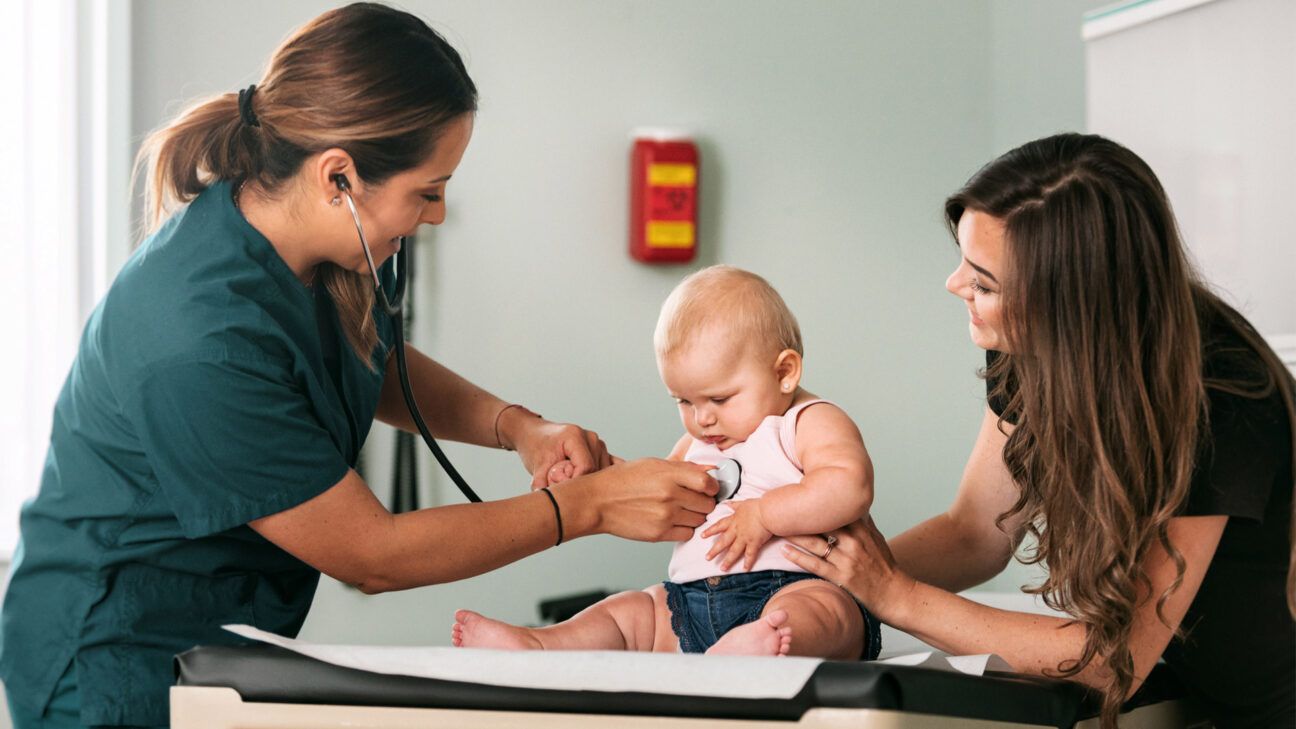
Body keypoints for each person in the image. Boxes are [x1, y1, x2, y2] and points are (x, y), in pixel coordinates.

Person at [0, 5, 717, 727]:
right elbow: (371, 554)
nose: (435, 215)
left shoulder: (328, 248)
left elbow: (369, 354)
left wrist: (517, 428)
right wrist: (591, 507)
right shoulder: (197, 338)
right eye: (428, 191)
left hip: (217, 641)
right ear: (338, 177)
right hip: (108, 658)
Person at [781, 133, 1295, 729]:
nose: (954, 286)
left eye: (985, 282)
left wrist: (892, 594)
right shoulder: (1035, 352)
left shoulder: (1222, 395)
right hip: (1197, 689)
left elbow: (1114, 655)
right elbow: (975, 532)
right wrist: (810, 577)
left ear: (1071, 304)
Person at [453, 266, 881, 659]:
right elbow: (657, 496)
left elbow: (849, 487)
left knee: (825, 614)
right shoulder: (699, 441)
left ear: (785, 372)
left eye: (719, 398)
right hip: (687, 603)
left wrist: (765, 515)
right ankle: (541, 644)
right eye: (684, 401)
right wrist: (603, 475)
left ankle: (761, 649)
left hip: (791, 587)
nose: (702, 417)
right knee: (632, 611)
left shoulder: (806, 422)